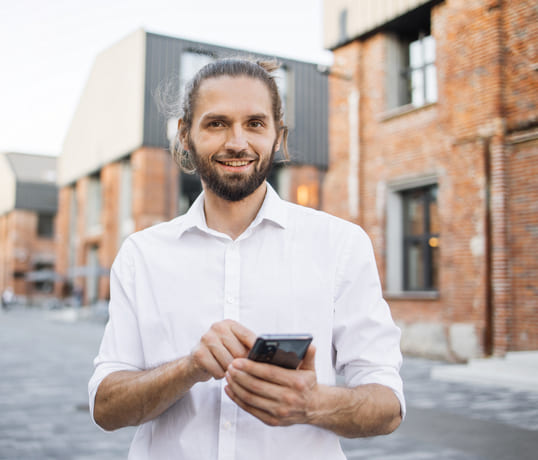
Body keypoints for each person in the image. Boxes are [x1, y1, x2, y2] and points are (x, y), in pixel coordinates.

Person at [88, 58, 404, 459]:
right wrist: (190, 368)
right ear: (185, 134)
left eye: (255, 123)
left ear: (278, 136)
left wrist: (311, 404)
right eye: (216, 123)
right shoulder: (141, 255)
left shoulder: (339, 244)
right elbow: (106, 408)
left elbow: (388, 405)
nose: (237, 142)